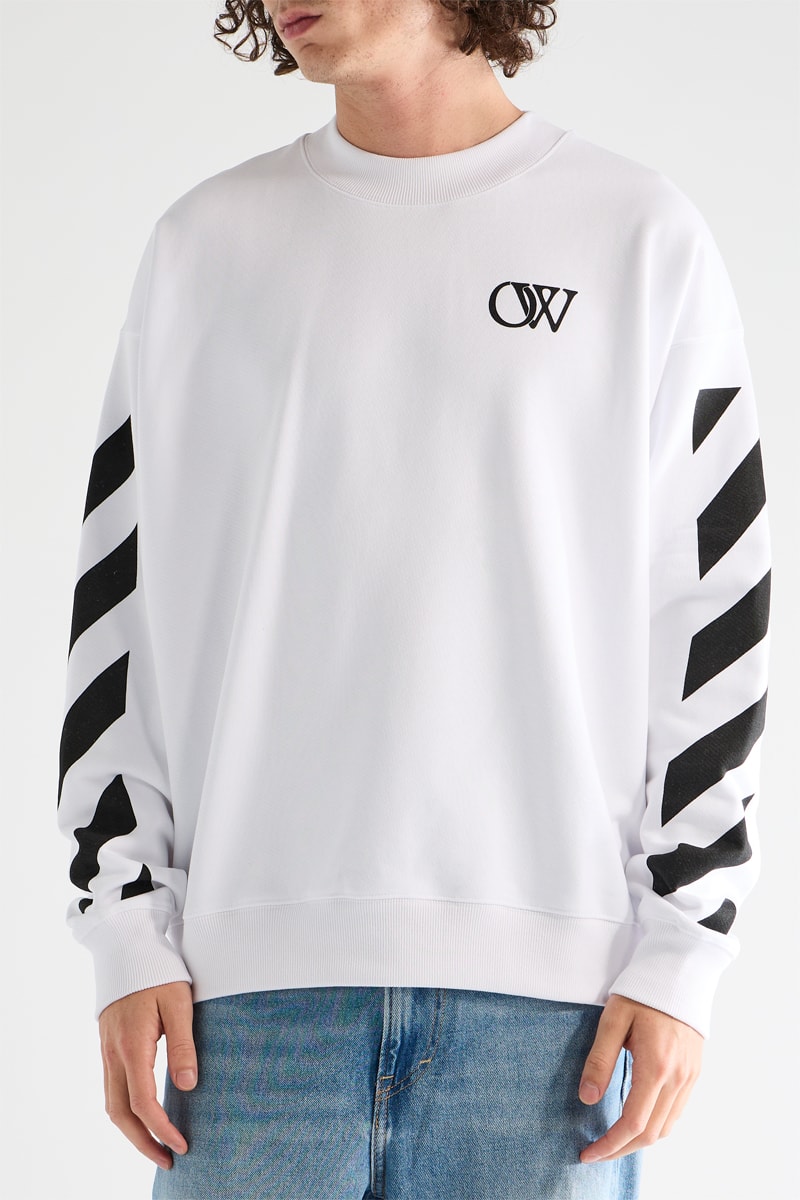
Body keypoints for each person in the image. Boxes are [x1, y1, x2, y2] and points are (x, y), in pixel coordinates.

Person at [56, 2, 771, 1197]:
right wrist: (126, 929)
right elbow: (119, 602)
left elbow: (710, 609)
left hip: (555, 1014)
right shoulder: (206, 245)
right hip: (243, 1010)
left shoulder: (635, 234)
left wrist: (683, 951)